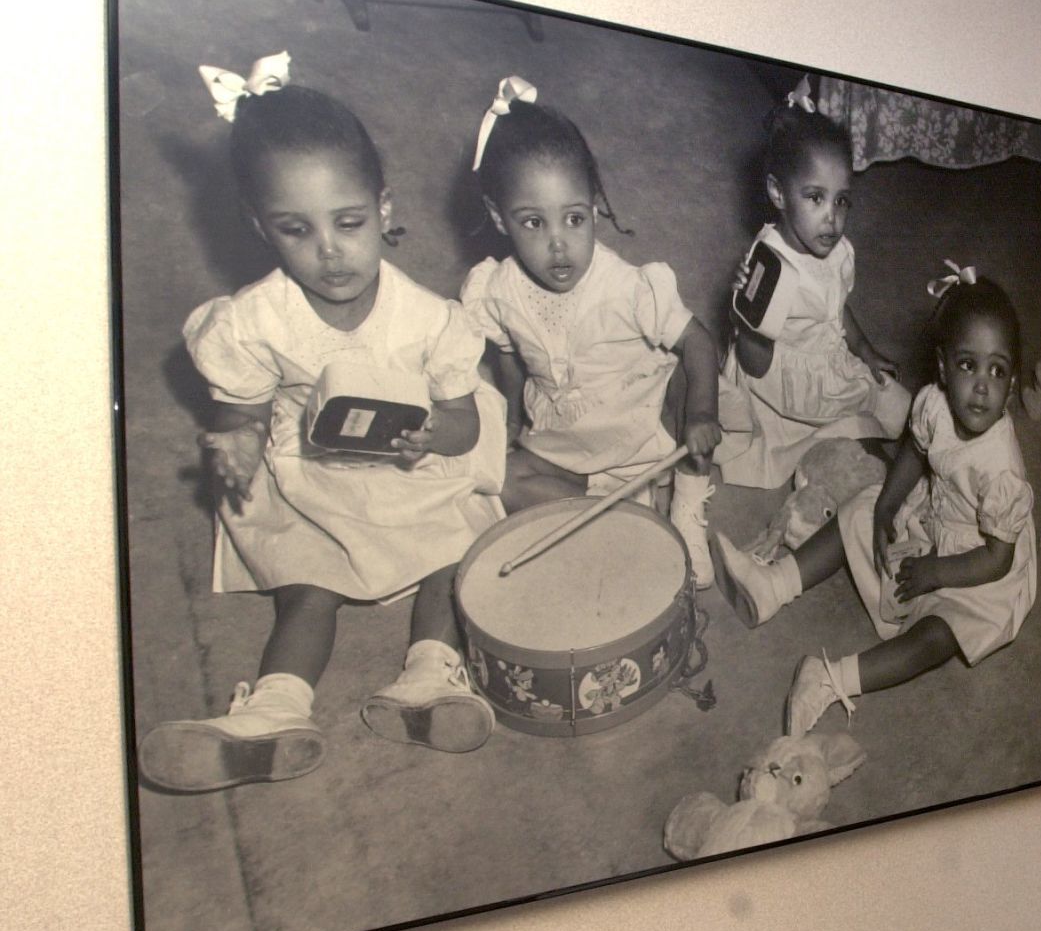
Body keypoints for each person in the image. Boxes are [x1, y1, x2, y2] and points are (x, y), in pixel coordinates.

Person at [139, 56, 506, 793]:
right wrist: (236, 442)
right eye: (295, 230)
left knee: (452, 557)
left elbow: (464, 424)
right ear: (260, 229)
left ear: (385, 208)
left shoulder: (431, 321)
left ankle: (429, 679)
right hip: (313, 476)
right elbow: (239, 405)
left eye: (349, 222)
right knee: (308, 586)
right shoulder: (254, 320)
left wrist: (435, 435)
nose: (330, 251)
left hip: (413, 466)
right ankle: (274, 709)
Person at [711, 272, 1038, 737]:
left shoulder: (1001, 469)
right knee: (860, 509)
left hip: (980, 573)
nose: (983, 386)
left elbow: (997, 558)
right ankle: (773, 583)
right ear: (943, 369)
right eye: (969, 366)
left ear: (1011, 382)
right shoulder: (934, 404)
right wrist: (887, 505)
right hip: (935, 520)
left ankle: (829, 678)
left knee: (939, 637)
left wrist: (937, 573)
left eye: (998, 370)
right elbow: (914, 451)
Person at [459, 77, 726, 584]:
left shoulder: (626, 287)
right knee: (498, 476)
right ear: (499, 218)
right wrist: (514, 421)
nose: (559, 245)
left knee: (694, 381)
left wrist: (702, 415)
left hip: (646, 423)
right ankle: (618, 515)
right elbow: (509, 355)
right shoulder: (494, 290)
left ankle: (687, 501)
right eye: (534, 223)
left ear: (595, 205)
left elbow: (699, 341)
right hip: (569, 436)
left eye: (574, 219)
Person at [717, 79, 911, 489]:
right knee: (821, 441)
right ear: (778, 193)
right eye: (815, 197)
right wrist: (748, 322)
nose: (832, 218)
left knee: (891, 405)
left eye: (842, 200)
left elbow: (836, 306)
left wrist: (862, 348)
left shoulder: (838, 251)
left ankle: (859, 460)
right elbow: (755, 364)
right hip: (779, 372)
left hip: (826, 360)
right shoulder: (771, 263)